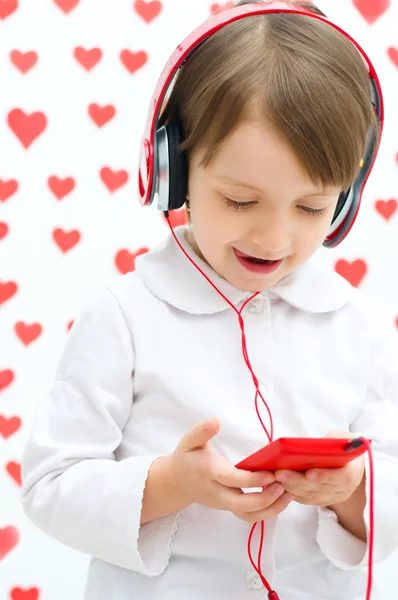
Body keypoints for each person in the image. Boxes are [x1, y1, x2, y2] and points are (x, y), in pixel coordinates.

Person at [20, 2, 398, 599]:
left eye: (310, 207)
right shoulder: (126, 317)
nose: (274, 239)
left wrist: (353, 490)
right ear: (173, 168)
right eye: (241, 202)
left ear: (348, 198)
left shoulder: (363, 329)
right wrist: (169, 483)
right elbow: (49, 487)